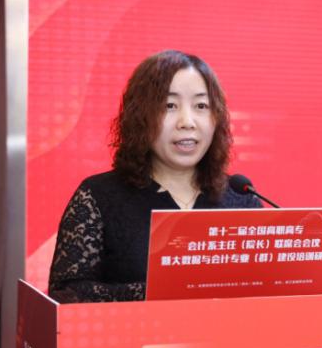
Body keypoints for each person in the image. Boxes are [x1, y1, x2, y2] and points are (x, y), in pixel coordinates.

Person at [48, 50, 261, 303]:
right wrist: (158, 291)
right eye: (169, 106)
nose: (187, 122)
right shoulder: (98, 197)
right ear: (141, 116)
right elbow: (66, 294)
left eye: (201, 106)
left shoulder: (241, 199)